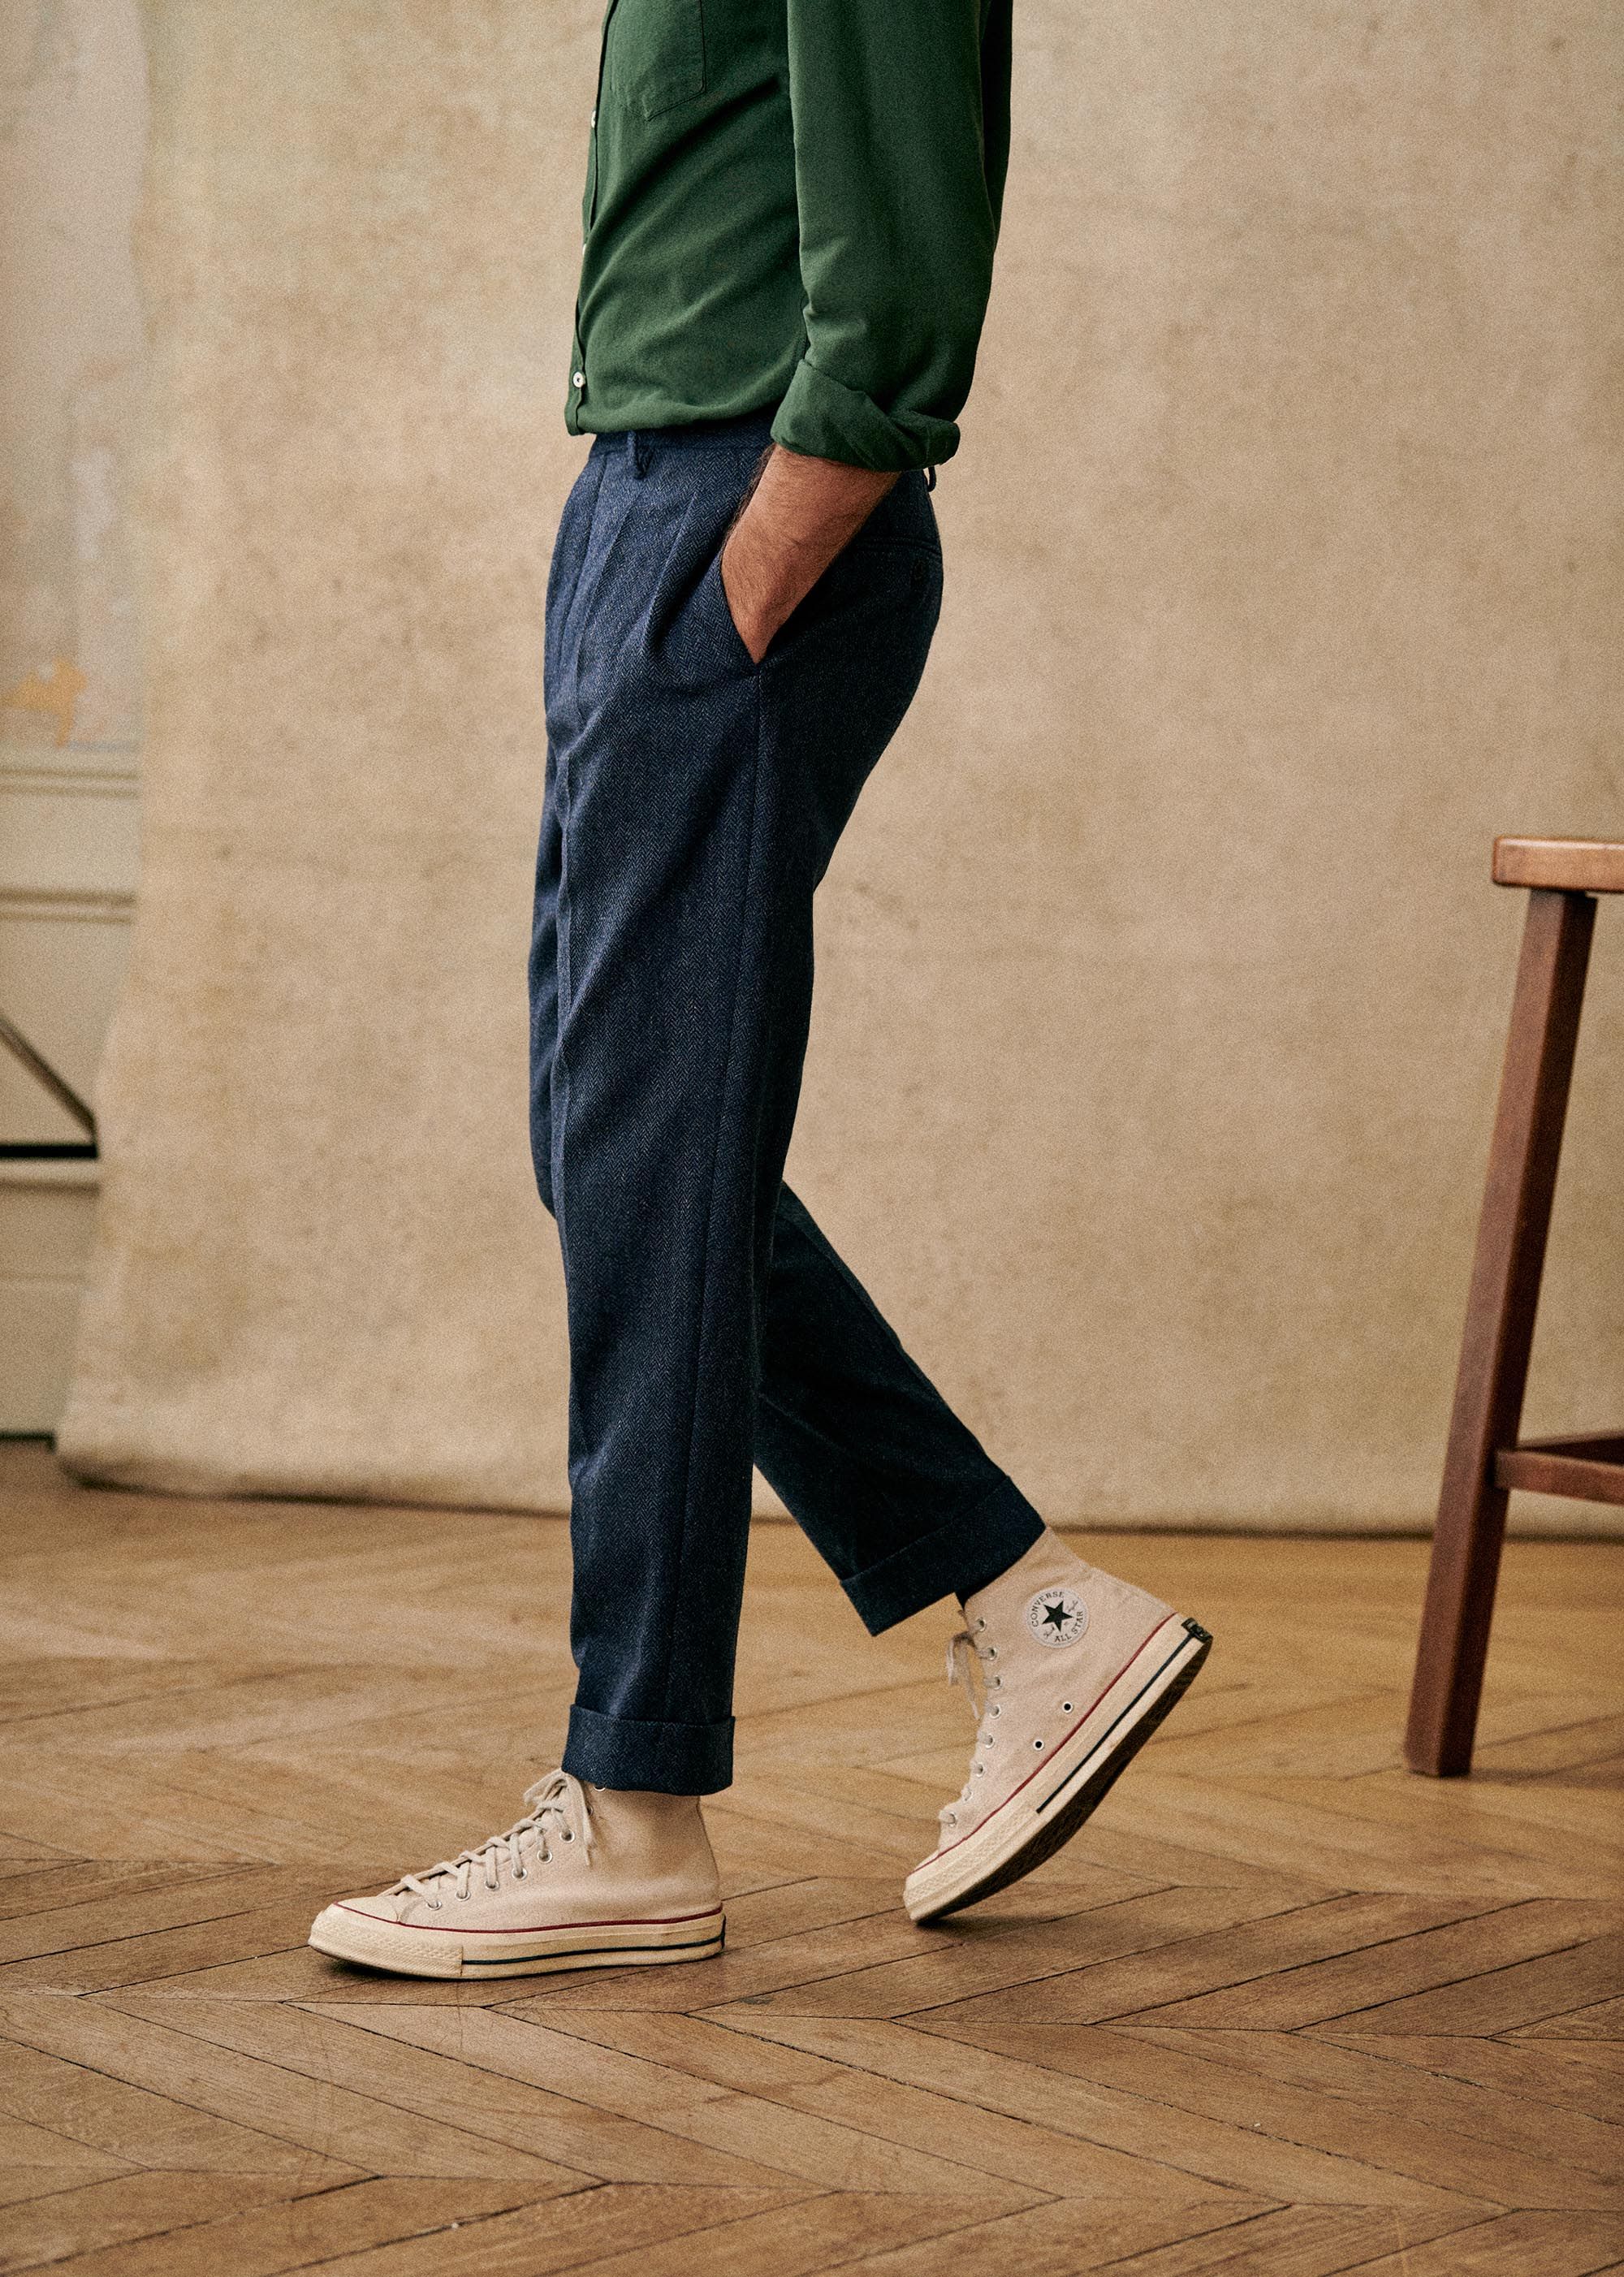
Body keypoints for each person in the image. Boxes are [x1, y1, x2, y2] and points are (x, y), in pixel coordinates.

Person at [309, 0, 1210, 1983]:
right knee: (615, 1147)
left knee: (645, 1156)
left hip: (735, 510)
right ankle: (1034, 1609)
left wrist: (739, 584)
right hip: (646, 504)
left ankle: (634, 1808)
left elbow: (897, 281)